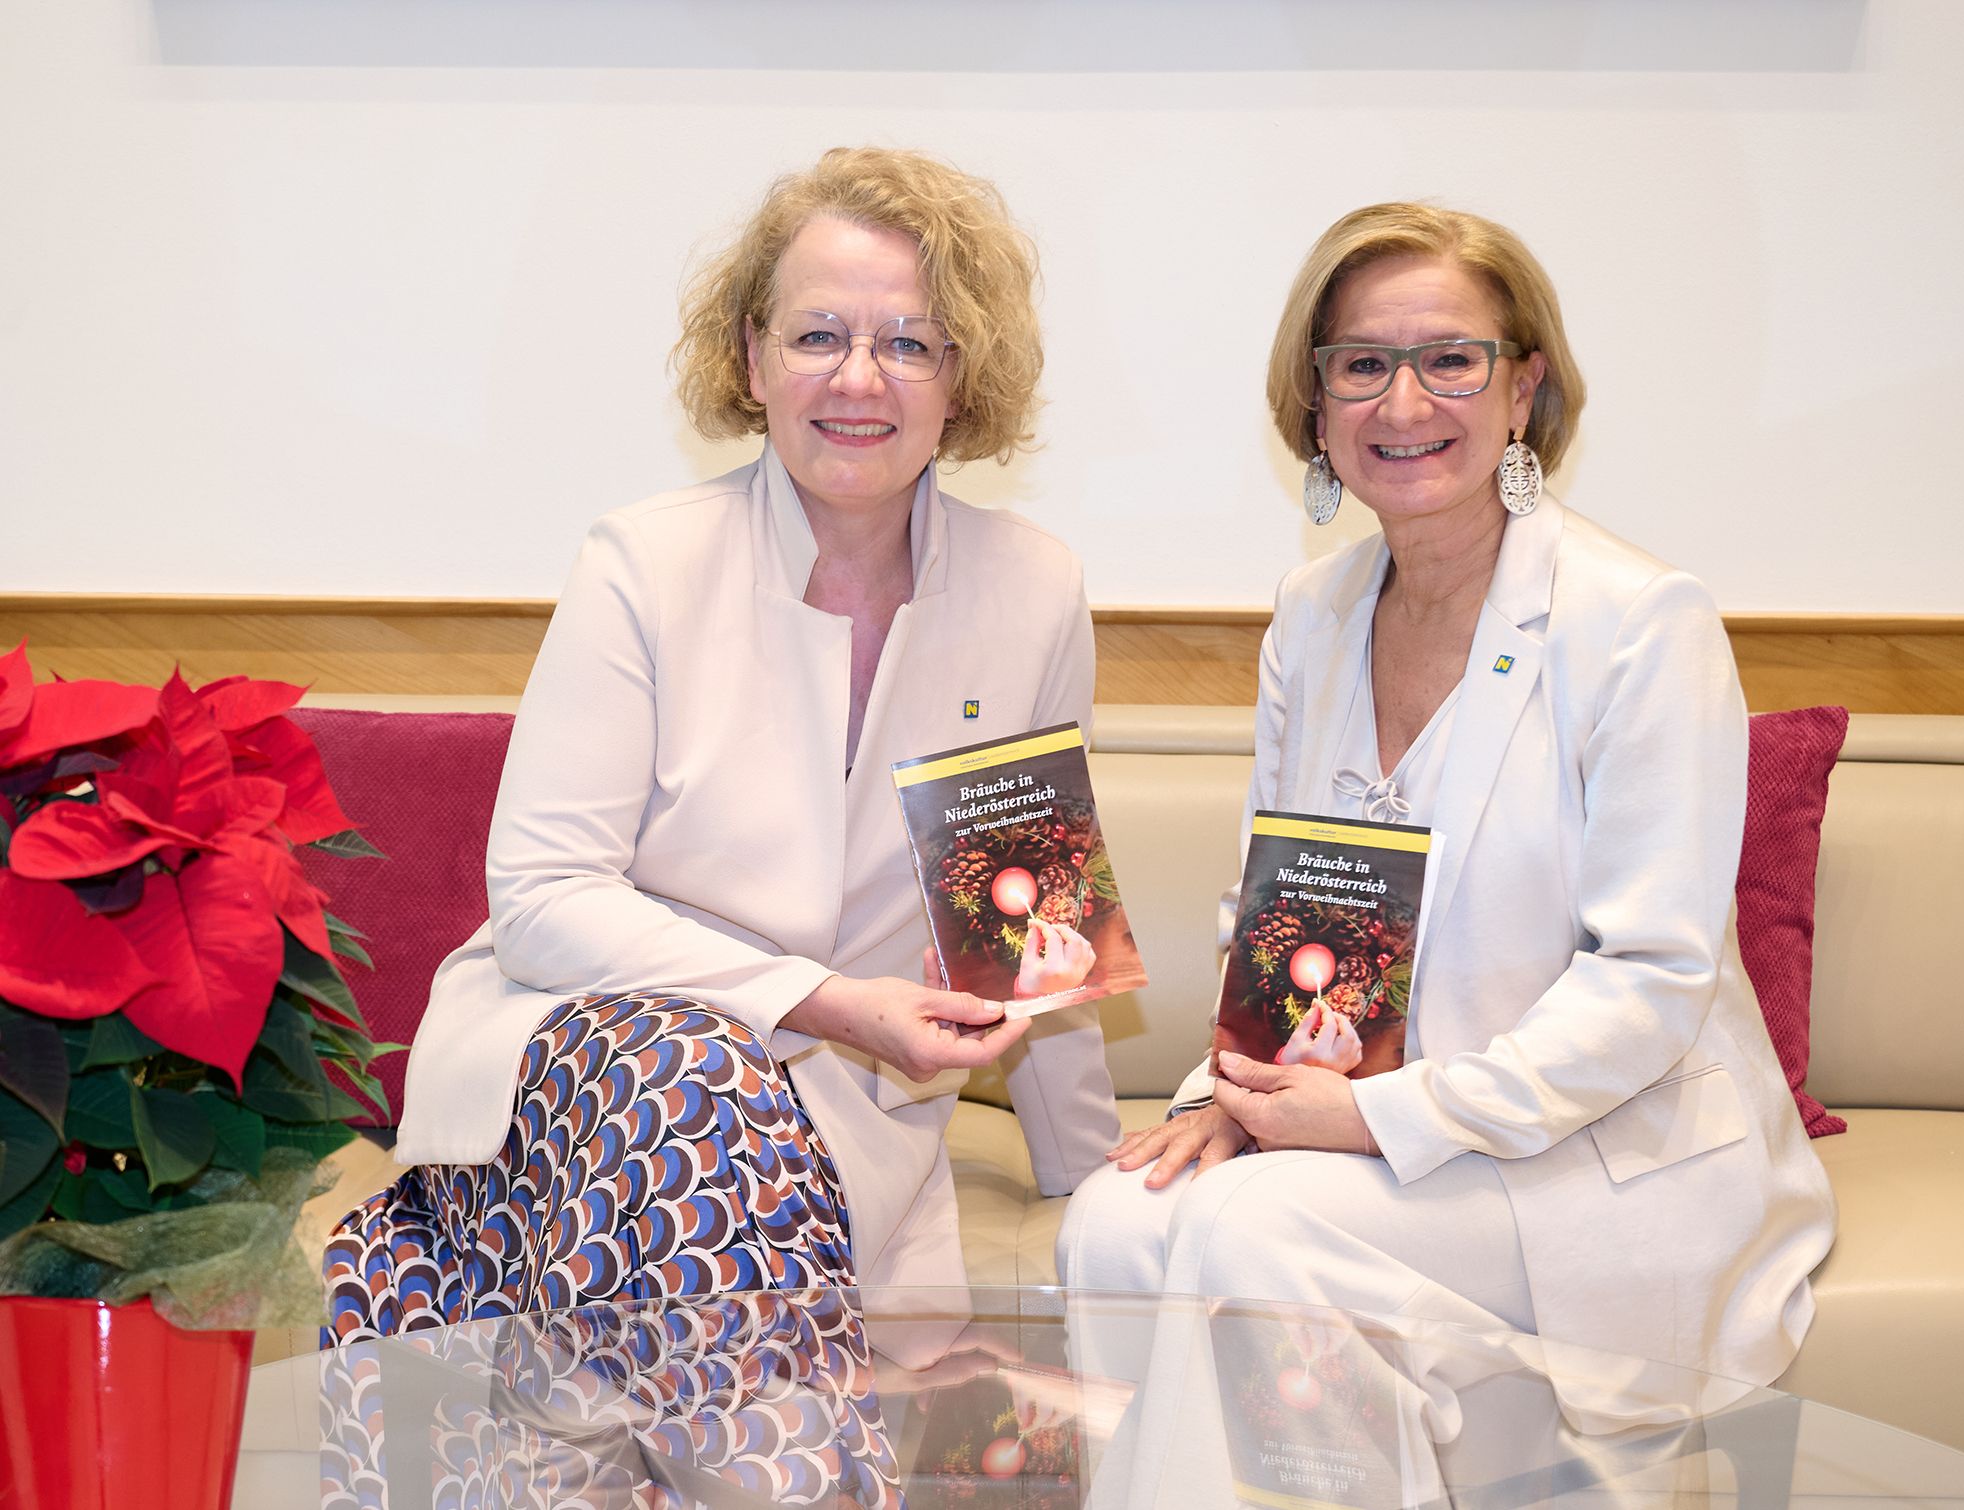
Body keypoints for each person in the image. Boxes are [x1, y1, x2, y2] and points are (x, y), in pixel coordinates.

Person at [323, 147, 1119, 1342]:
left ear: (964, 378)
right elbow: (541, 900)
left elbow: (1026, 942)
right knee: (686, 1075)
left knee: (717, 1125)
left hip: (837, 1115)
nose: (860, 377)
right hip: (584, 1064)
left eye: (909, 340)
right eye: (817, 336)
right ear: (750, 357)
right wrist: (829, 1002)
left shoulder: (1031, 592)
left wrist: (1091, 1177)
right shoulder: (641, 562)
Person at [1058, 203, 1835, 1389]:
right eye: (1362, 365)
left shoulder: (1636, 621)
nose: (1403, 404)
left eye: (1448, 361)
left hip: (1597, 1157)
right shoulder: (1310, 616)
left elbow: (1650, 980)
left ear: (1521, 389)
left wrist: (1374, 1118)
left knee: (1249, 1230)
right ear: (1314, 406)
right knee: (1113, 1223)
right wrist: (1243, 1091)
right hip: (1371, 1133)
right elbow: (1285, 912)